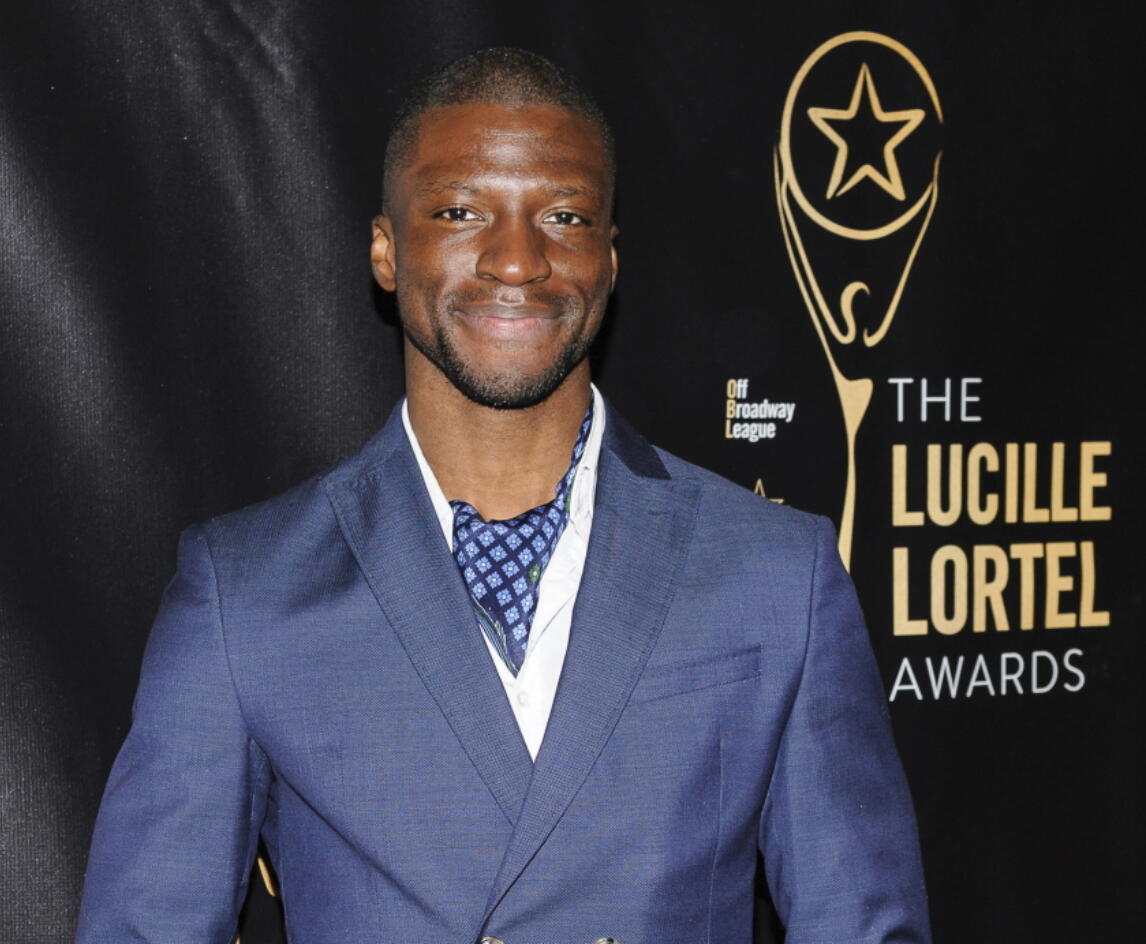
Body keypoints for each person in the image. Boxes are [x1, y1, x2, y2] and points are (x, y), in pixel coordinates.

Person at [76, 48, 930, 943]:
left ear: (608, 256)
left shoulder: (775, 574)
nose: (517, 260)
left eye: (563, 215)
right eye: (459, 211)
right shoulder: (242, 594)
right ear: (385, 249)